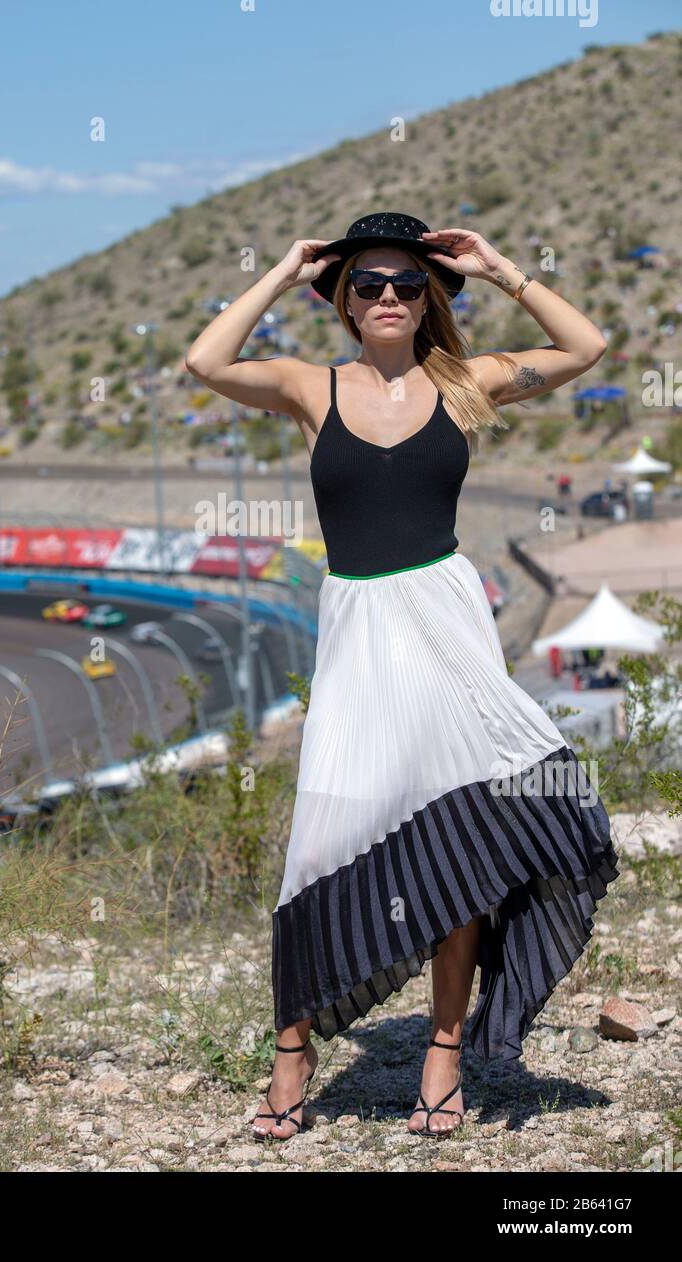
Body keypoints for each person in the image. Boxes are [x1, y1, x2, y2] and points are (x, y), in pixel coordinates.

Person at [185, 212, 620, 1142]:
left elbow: (587, 345)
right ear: (344, 300)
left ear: (432, 298)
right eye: (369, 283)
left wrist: (500, 268)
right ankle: (292, 1050)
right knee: (322, 836)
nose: (389, 295)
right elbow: (205, 363)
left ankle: (445, 1051)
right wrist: (283, 269)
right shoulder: (310, 387)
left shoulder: (467, 383)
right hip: (357, 627)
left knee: (460, 828)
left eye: (408, 282)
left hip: (447, 626)